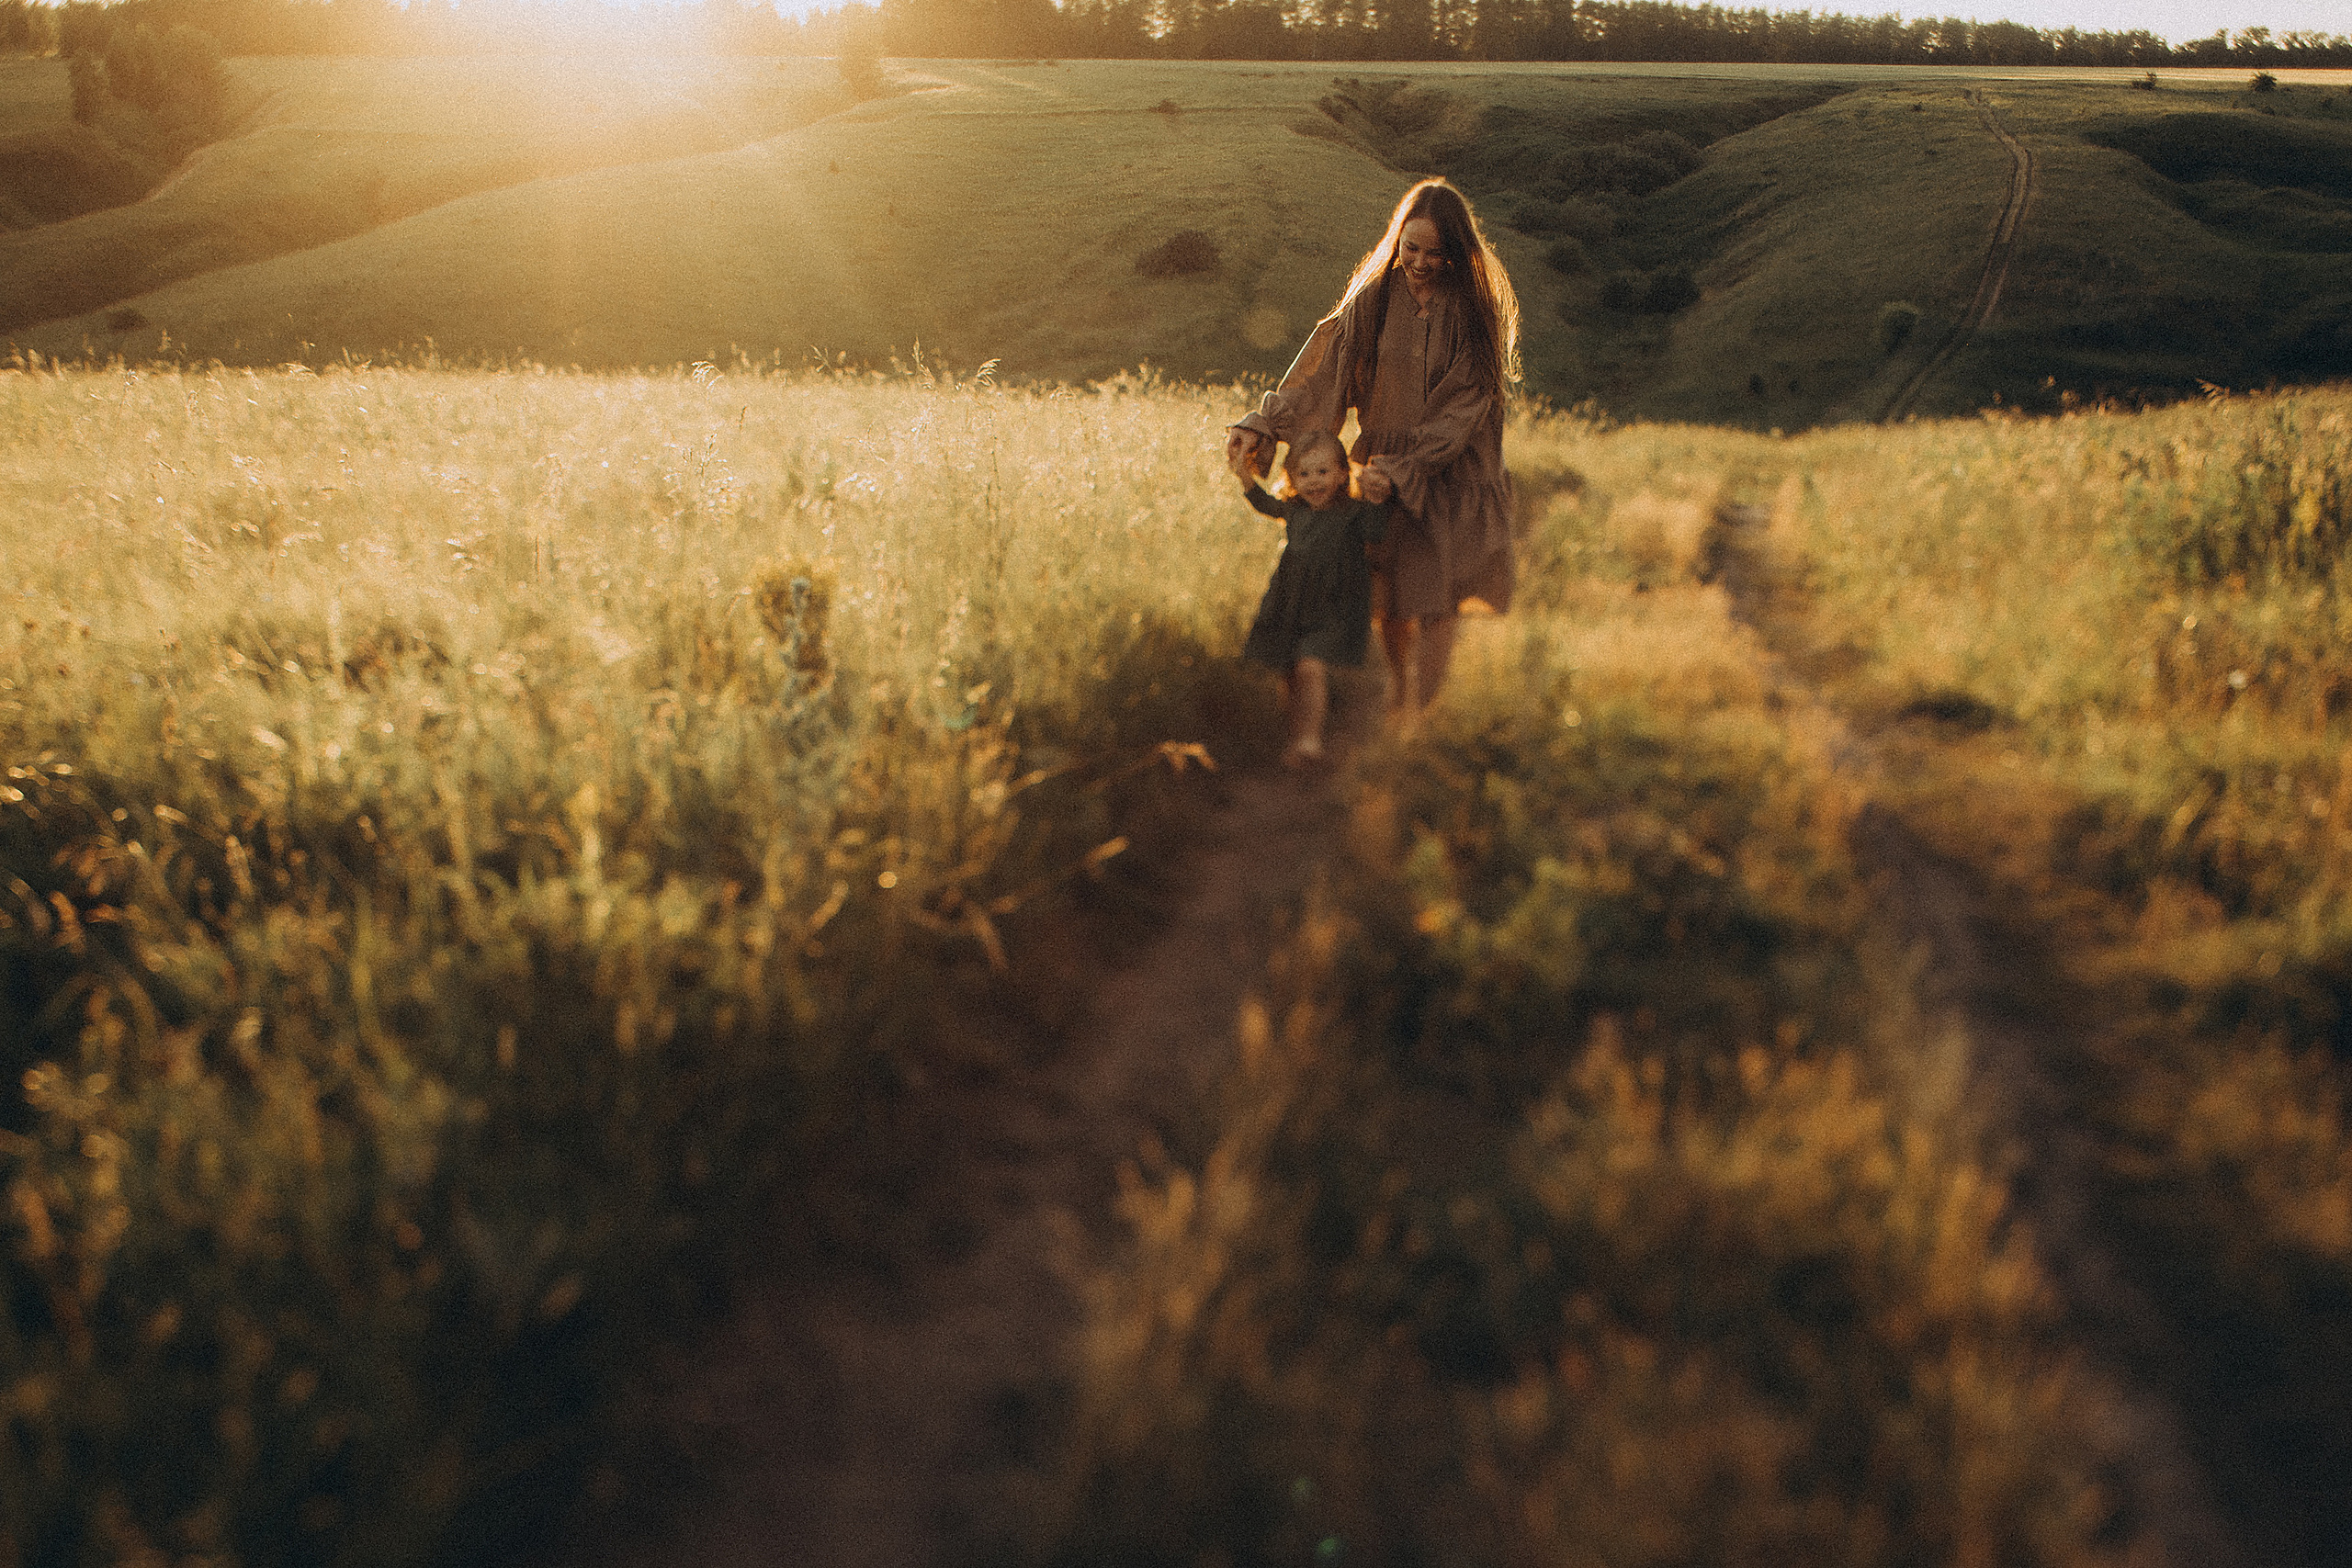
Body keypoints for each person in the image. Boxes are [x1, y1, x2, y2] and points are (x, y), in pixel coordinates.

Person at [1226, 177, 1520, 712]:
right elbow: (1323, 371)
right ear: (1397, 241)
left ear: (1456, 250)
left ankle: (1419, 721)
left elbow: (1465, 408)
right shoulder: (1376, 298)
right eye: (1411, 249)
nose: (1421, 262)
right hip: (1378, 471)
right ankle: (1401, 695)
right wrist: (1264, 423)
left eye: (1436, 252)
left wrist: (1407, 466)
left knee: (1437, 601)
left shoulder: (1474, 311)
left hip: (1445, 471)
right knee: (1393, 600)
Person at [1233, 428, 1390, 768]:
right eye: (1303, 474)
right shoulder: (1295, 511)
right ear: (1291, 478)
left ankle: (1310, 740)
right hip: (1291, 601)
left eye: (1323, 472)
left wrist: (1377, 498)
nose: (1313, 482)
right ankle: (1298, 738)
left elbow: (1377, 532)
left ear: (1341, 473)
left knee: (1310, 664)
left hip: (1335, 606)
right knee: (1290, 669)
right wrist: (1243, 474)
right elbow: (1264, 503)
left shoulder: (1353, 512)